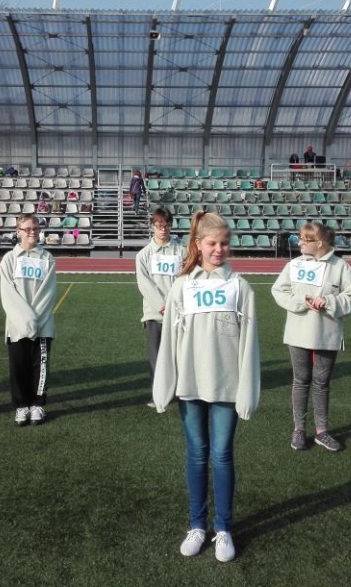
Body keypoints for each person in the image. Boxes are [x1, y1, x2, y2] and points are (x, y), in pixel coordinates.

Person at [152, 211, 260, 564]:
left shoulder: (240, 287)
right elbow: (169, 342)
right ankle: (198, 525)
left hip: (227, 387)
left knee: (222, 455)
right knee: (197, 454)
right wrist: (164, 387)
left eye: (225, 244)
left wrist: (248, 391)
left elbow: (249, 345)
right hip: (190, 385)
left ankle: (223, 528)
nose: (219, 249)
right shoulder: (182, 286)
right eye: (212, 243)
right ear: (197, 245)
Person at [271, 221, 351, 454]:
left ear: (319, 243)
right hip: (298, 332)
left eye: (304, 239)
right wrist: (301, 302)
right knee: (301, 380)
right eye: (299, 238)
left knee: (321, 382)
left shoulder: (341, 267)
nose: (299, 242)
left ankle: (322, 431)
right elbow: (279, 290)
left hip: (326, 333)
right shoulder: (294, 264)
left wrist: (329, 302)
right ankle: (299, 429)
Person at [0, 213, 57, 427]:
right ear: (18, 231)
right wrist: (25, 322)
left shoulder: (47, 258)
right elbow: (8, 295)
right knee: (18, 367)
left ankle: (37, 404)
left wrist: (34, 322)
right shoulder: (9, 259)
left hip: (42, 326)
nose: (32, 232)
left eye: (35, 228)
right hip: (16, 327)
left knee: (39, 367)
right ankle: (21, 406)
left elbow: (48, 293)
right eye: (27, 229)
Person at [134, 207, 184, 407]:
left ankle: (179, 392)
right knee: (156, 357)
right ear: (152, 227)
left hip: (179, 313)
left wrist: (175, 304)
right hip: (154, 314)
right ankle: (159, 396)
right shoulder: (143, 255)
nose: (163, 230)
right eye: (159, 226)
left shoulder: (181, 251)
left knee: (178, 355)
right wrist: (162, 305)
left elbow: (186, 279)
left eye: (167, 226)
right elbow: (144, 284)